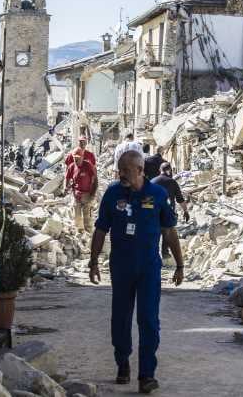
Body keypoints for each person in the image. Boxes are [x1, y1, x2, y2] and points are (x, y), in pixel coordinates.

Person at [89, 150, 184, 394]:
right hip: (121, 267)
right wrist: (93, 262)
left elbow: (170, 232)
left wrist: (180, 264)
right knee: (120, 318)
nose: (121, 174)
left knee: (149, 320)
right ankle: (122, 363)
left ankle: (147, 375)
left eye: (126, 170)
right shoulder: (112, 194)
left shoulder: (158, 194)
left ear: (140, 170)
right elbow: (100, 230)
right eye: (120, 169)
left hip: (149, 268)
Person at [151, 162, 189, 259]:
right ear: (169, 171)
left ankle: (152, 255)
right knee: (167, 233)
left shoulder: (152, 182)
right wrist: (186, 211)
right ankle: (165, 254)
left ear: (160, 170)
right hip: (167, 212)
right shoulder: (172, 182)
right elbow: (180, 199)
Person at [65, 150, 98, 232]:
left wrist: (93, 194)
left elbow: (95, 180)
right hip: (76, 195)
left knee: (87, 217)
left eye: (78, 158)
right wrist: (66, 186)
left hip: (87, 195)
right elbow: (67, 177)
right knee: (77, 217)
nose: (76, 160)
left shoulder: (88, 166)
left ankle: (89, 234)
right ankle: (80, 233)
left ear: (82, 157)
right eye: (74, 158)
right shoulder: (72, 166)